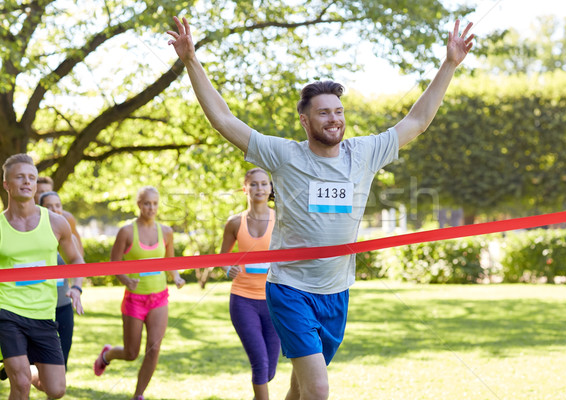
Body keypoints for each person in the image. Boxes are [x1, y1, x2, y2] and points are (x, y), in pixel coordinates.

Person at [168, 16, 474, 399]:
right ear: (305, 119)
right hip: (290, 289)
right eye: (324, 112)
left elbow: (418, 120)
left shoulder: (364, 152)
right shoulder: (283, 154)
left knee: (300, 390)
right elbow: (224, 120)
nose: (334, 119)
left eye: (339, 111)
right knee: (318, 390)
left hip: (337, 291)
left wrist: (450, 64)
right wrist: (191, 61)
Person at [0, 153, 84, 400]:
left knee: (56, 390)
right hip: (7, 310)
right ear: (7, 184)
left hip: (44, 313)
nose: (27, 182)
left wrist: (77, 288)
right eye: (20, 177)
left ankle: (21, 366)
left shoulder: (57, 223)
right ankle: (20, 369)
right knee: (22, 384)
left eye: (31, 178)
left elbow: (76, 259)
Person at [93, 186, 185, 400]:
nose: (151, 208)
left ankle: (138, 395)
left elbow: (170, 262)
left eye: (154, 203)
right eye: (146, 203)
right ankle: (108, 354)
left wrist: (177, 277)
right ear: (138, 204)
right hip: (134, 300)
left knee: (153, 348)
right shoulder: (126, 231)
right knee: (131, 353)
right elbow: (113, 264)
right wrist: (126, 279)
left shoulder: (166, 232)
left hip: (159, 298)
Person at [220, 168, 280, 400]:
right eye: (253, 184)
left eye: (264, 184)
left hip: (274, 301)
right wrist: (228, 268)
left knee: (270, 371)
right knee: (260, 364)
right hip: (243, 300)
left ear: (270, 188)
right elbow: (223, 256)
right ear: (245, 189)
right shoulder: (235, 222)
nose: (259, 189)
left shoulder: (281, 218)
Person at [39, 190, 84, 370]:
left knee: (61, 363)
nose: (54, 210)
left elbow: (78, 264)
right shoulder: (33, 236)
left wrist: (77, 288)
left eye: (58, 206)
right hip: (38, 307)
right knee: (36, 360)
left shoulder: (69, 237)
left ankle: (51, 396)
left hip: (63, 304)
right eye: (49, 206)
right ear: (40, 209)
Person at [35, 176, 84, 256]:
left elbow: (77, 247)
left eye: (48, 191)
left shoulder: (66, 217)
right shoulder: (28, 218)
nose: (45, 194)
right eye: (41, 192)